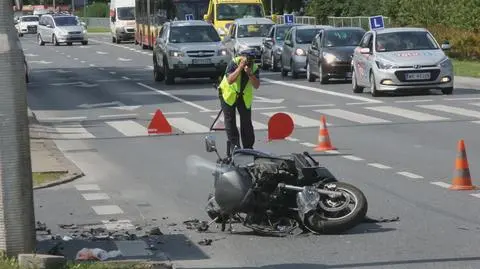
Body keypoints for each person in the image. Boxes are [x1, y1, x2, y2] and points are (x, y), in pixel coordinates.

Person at [217, 49, 260, 154]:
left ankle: (248, 148)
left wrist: (250, 74)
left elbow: (256, 85)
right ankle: (235, 147)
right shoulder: (234, 63)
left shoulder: (254, 67)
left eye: (251, 60)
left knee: (246, 122)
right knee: (230, 122)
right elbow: (230, 80)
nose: (249, 62)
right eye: (247, 59)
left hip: (244, 97)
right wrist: (240, 68)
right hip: (228, 95)